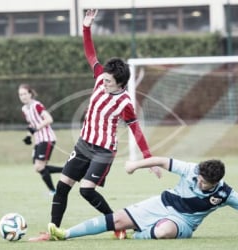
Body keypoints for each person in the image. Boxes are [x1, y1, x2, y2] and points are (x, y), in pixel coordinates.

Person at [29, 9, 161, 242]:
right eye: (105, 78)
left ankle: (116, 223)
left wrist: (148, 158)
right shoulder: (101, 76)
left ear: (120, 83)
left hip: (103, 151)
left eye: (109, 80)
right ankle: (52, 232)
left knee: (86, 190)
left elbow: (135, 129)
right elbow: (90, 53)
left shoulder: (125, 103)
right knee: (62, 187)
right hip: (83, 146)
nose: (104, 81)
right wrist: (86, 27)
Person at [45, 156, 238, 240]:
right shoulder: (191, 169)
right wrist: (135, 165)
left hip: (183, 223)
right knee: (116, 220)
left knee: (163, 232)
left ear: (215, 183)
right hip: (162, 203)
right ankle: (65, 233)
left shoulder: (224, 194)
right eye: (198, 177)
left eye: (204, 182)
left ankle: (135, 235)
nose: (198, 182)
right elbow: (162, 161)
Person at [18, 84, 63, 195]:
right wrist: (28, 136)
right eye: (20, 95)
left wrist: (35, 129)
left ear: (30, 94)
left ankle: (53, 190)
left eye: (24, 94)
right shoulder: (24, 109)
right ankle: (66, 172)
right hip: (38, 140)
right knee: (38, 168)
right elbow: (31, 124)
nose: (23, 96)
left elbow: (49, 119)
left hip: (47, 139)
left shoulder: (37, 105)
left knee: (39, 166)